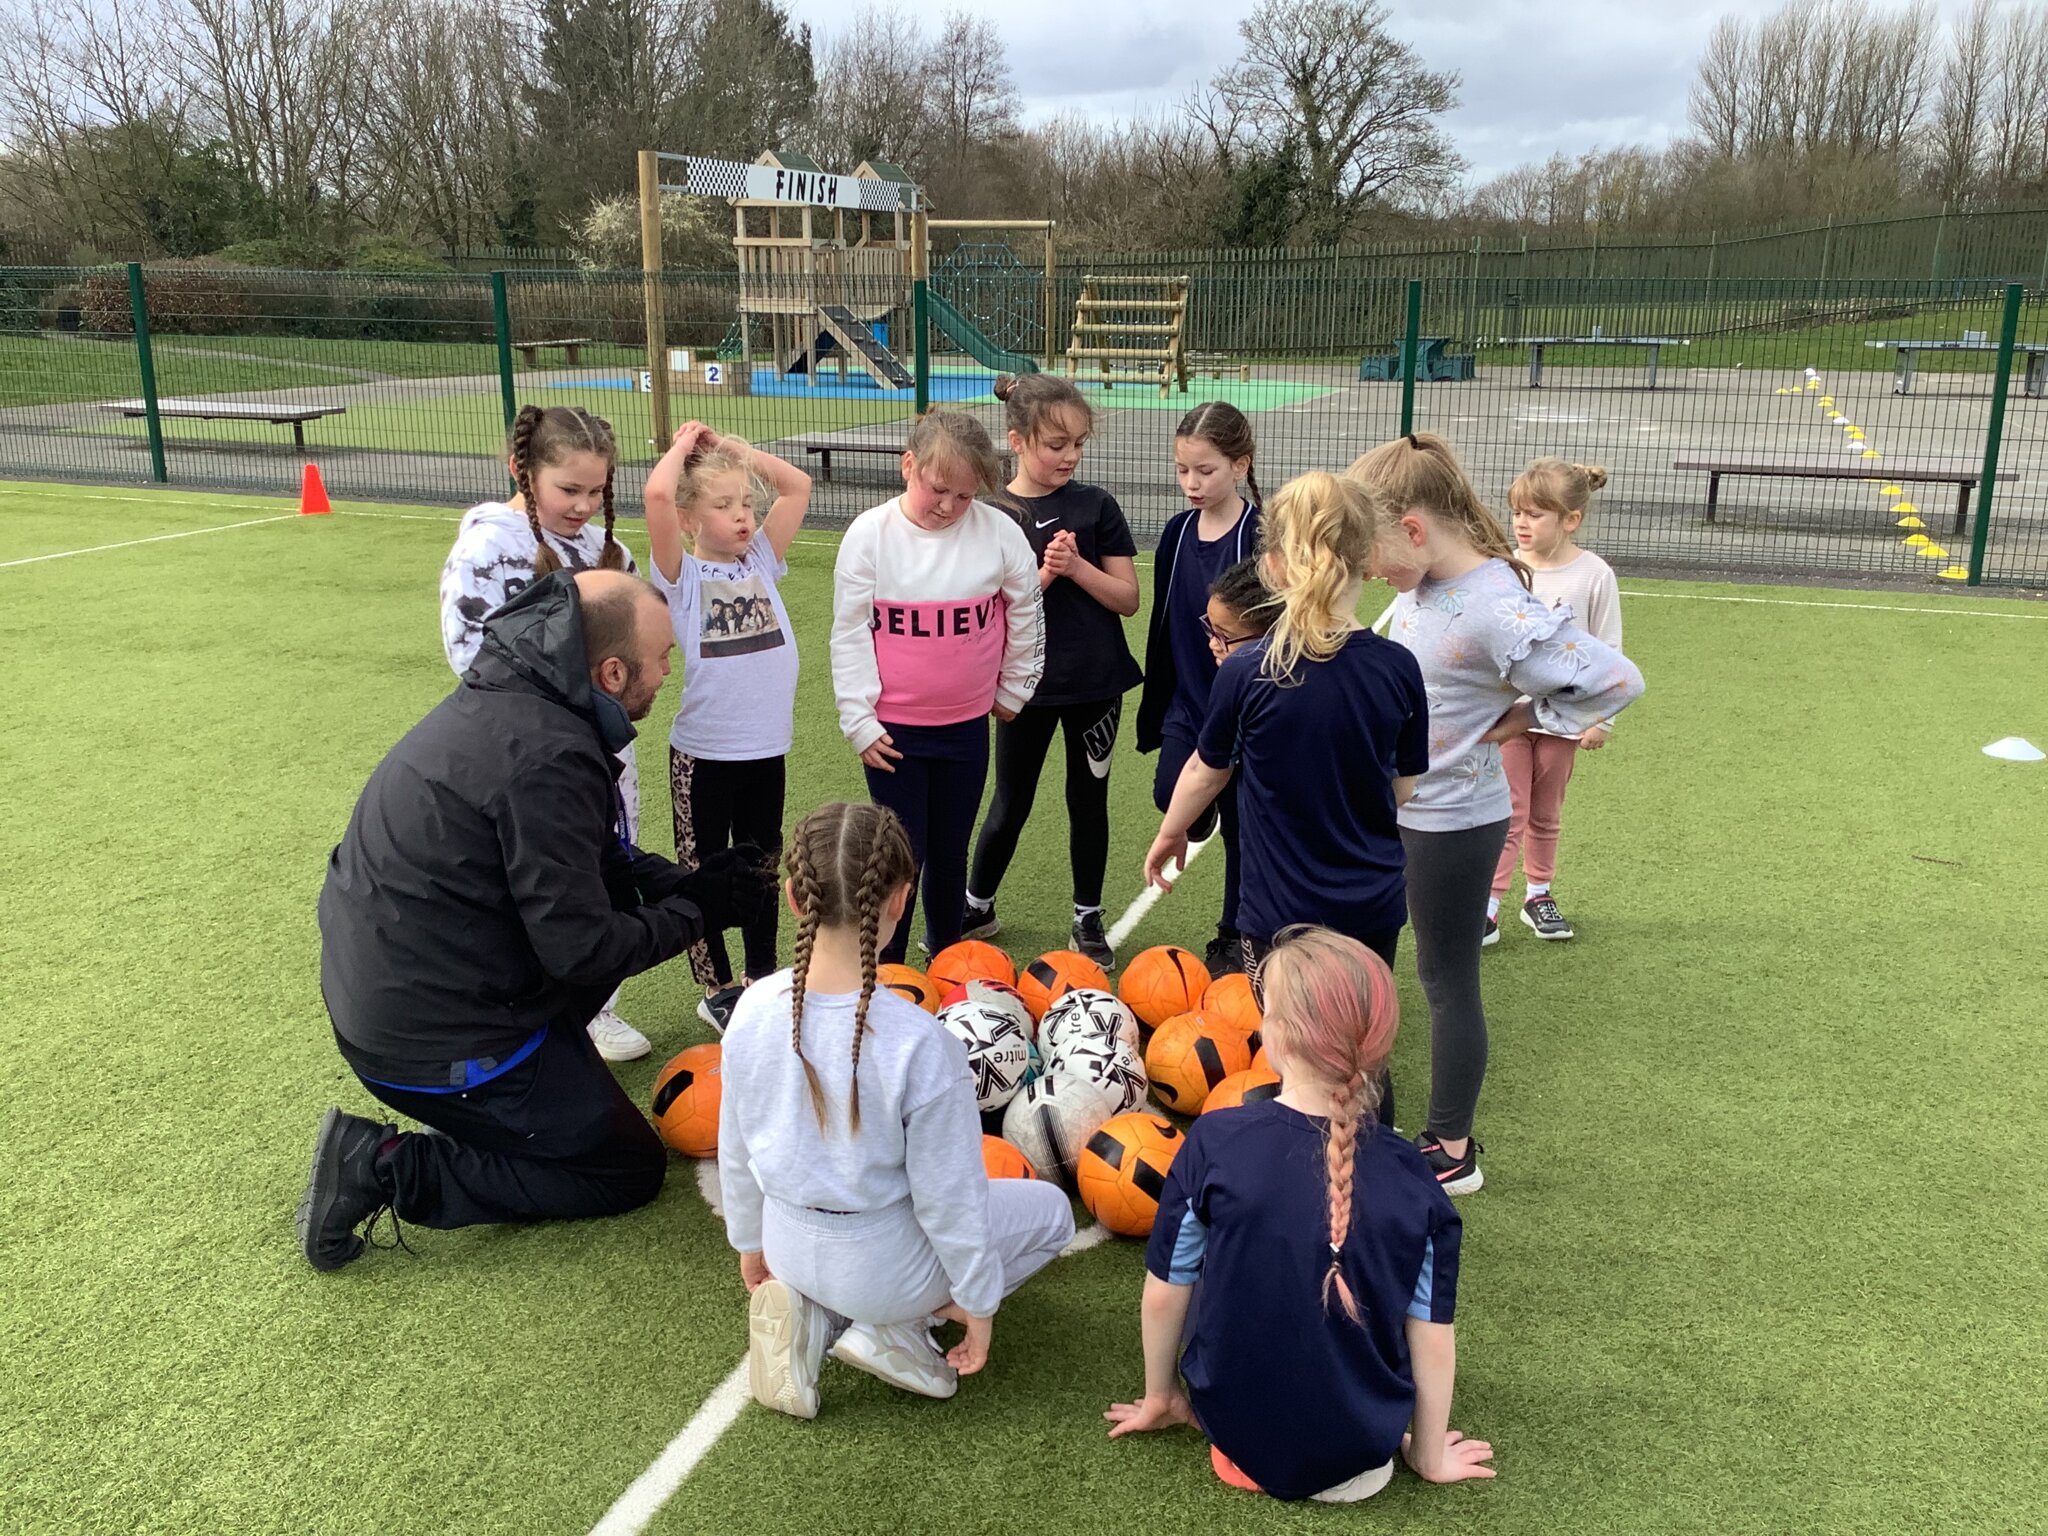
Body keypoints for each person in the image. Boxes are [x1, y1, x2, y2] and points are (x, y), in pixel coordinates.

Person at [299, 570, 775, 1273]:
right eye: (663, 659)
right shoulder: (548, 754)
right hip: (430, 1037)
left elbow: (586, 854)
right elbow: (583, 949)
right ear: (612, 672)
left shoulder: (520, 698)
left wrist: (684, 884)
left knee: (582, 1071)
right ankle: (385, 1165)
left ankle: (506, 1099)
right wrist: (699, 910)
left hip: (412, 985)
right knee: (625, 1170)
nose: (669, 672)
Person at [1348, 432, 1643, 1196]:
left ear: (1412, 528)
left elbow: (1615, 680)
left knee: (1445, 978)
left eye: (1372, 548)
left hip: (1453, 822)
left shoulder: (1494, 607)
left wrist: (1523, 717)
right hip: (1406, 813)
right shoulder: (1423, 589)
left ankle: (1452, 1149)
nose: (1370, 569)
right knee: (1391, 967)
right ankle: (1363, 1120)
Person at [1104, 927, 1492, 1502]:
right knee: (1390, 1278)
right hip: (1364, 1463)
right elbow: (1432, 1335)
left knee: (1201, 1260)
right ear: (1380, 1045)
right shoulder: (1414, 1174)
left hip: (1236, 1446)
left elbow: (1165, 1291)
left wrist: (1161, 1397)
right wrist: (1428, 1452)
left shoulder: (1215, 1138)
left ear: (1274, 1038)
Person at [719, 802, 1076, 1420]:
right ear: (900, 899)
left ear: (794, 899)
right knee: (1052, 1215)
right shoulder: (921, 1042)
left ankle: (814, 1313)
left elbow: (736, 1147)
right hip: (881, 1264)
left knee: (895, 1227)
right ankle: (899, 1329)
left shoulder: (749, 1010)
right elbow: (951, 1199)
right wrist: (979, 1309)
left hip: (786, 1244)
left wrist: (750, 1243)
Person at [1143, 471, 1428, 1124]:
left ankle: (1301, 1191)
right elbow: (1405, 787)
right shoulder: (1397, 669)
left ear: (1272, 567)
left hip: (1279, 911)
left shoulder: (1248, 671)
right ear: (1367, 560)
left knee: (1295, 1059)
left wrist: (1171, 832)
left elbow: (1205, 772)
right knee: (1360, 1050)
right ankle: (1375, 1180)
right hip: (1372, 903)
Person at [438, 403, 650, 1062]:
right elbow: (469, 651)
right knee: (537, 881)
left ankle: (597, 1010)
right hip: (524, 759)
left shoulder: (609, 549)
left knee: (608, 868)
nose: (584, 505)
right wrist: (563, 707)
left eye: (597, 490)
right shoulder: (487, 545)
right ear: (522, 472)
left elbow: (637, 641)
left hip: (604, 753)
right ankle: (527, 1016)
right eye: (568, 489)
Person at [830, 411, 1044, 966]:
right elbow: (849, 631)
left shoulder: (1000, 534)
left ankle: (948, 961)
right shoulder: (869, 535)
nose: (949, 505)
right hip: (892, 733)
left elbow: (1026, 610)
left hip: (966, 727)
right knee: (901, 857)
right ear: (909, 467)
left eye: (965, 496)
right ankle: (891, 972)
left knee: (950, 851)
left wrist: (1016, 686)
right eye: (938, 489)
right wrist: (859, 719)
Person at [963, 375, 1141, 969]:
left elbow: (1126, 598)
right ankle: (976, 905)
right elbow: (988, 612)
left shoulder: (1097, 506)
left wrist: (1077, 567)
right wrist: (1043, 574)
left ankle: (1087, 915)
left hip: (1096, 683)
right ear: (1016, 440)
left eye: (1078, 444)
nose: (1069, 456)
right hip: (1023, 687)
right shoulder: (991, 516)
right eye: (1055, 444)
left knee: (1088, 800)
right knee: (1010, 799)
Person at [644, 421, 812, 1030]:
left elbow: (797, 488)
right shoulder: (680, 578)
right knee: (705, 871)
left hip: (766, 749)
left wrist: (739, 454)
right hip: (705, 756)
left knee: (763, 865)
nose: (743, 517)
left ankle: (761, 976)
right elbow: (657, 496)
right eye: (723, 506)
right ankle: (716, 986)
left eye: (745, 503)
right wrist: (684, 449)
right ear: (690, 519)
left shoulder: (762, 558)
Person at [1134, 402, 1263, 974]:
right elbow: (1164, 616)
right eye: (1182, 469)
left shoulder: (1261, 535)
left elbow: (1272, 625)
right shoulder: (1176, 531)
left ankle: (1234, 936)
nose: (1191, 482)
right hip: (1188, 701)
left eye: (1205, 470)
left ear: (1241, 466)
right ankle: (1199, 805)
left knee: (1242, 829)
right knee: (1172, 797)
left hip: (1242, 707)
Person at [1490, 458, 1622, 945]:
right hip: (1506, 716)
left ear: (1571, 520)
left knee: (1546, 812)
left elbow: (1609, 649)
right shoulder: (1503, 567)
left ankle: (1538, 895)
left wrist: (1601, 719)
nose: (1522, 524)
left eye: (1535, 515)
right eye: (1517, 513)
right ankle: (1488, 903)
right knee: (1509, 809)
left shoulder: (1594, 575)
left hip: (1563, 718)